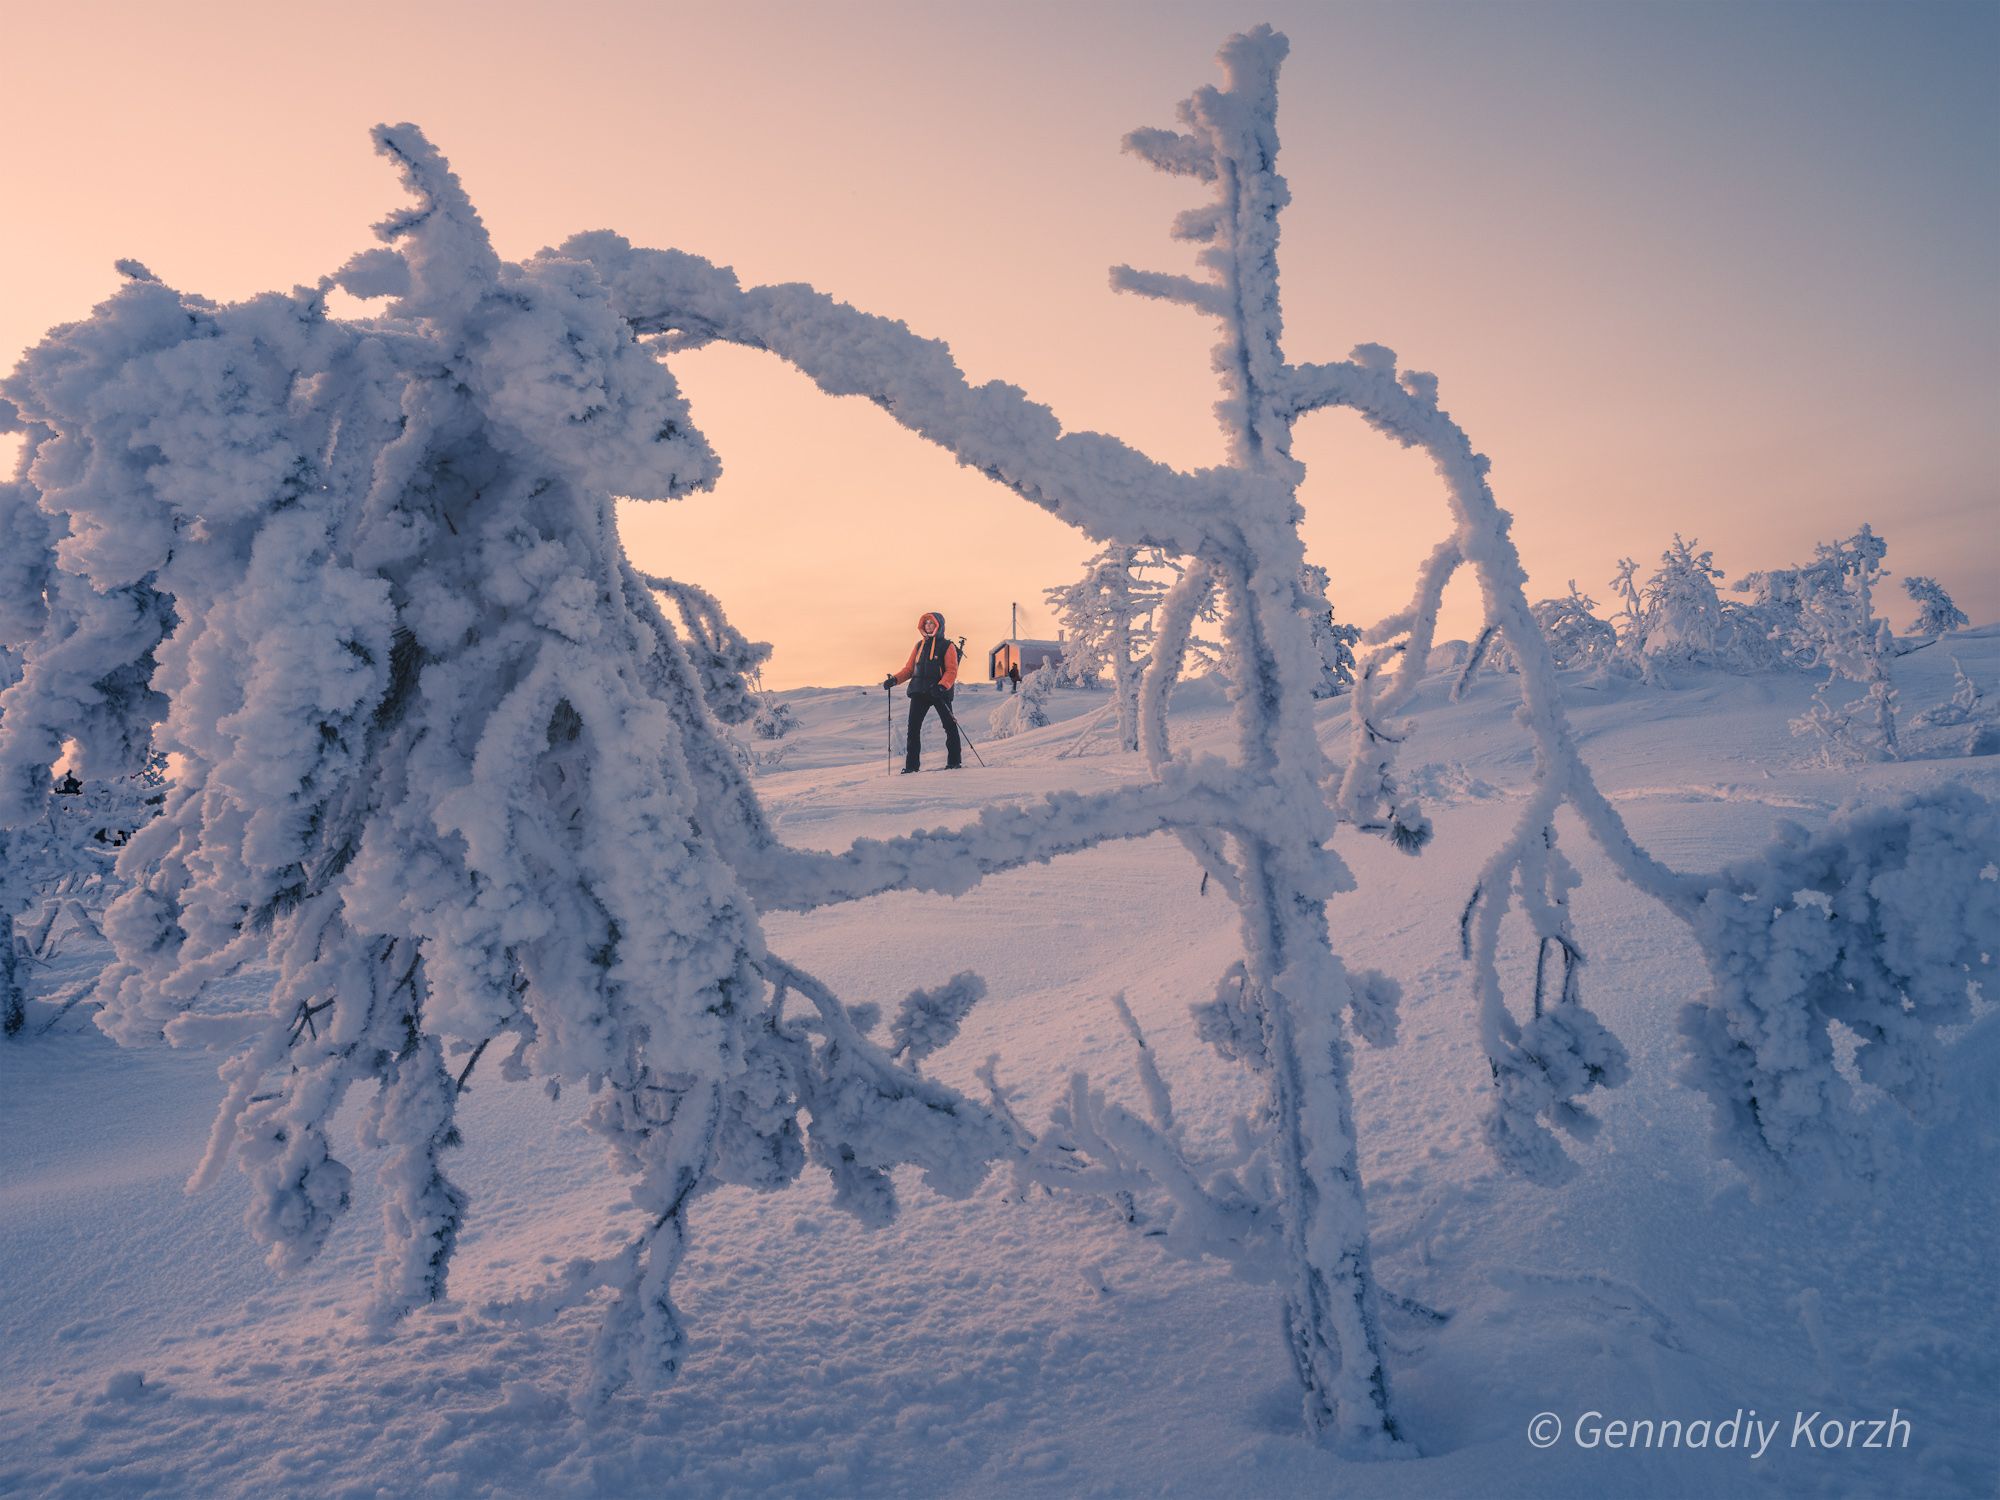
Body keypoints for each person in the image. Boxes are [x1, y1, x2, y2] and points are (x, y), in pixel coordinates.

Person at [883, 611, 962, 773]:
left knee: (949, 726)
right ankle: (912, 767)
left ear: (939, 625)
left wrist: (942, 686)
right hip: (919, 692)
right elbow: (909, 669)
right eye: (926, 623)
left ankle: (954, 762)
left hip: (938, 693)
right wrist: (895, 680)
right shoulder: (919, 646)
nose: (928, 626)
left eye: (931, 623)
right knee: (913, 729)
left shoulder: (948, 646)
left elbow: (951, 671)